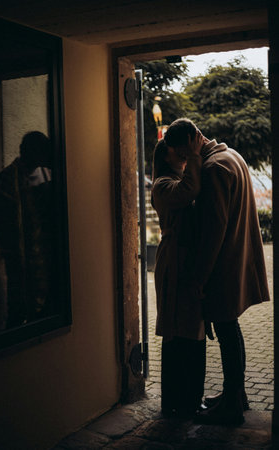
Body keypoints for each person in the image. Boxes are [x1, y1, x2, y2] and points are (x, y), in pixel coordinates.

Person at [163, 118, 270, 426]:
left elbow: (214, 230)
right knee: (229, 329)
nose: (182, 161)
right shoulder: (231, 155)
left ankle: (232, 404)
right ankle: (235, 394)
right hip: (239, 260)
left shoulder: (212, 168)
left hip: (223, 266)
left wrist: (199, 277)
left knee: (226, 330)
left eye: (180, 153)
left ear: (189, 143)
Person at [151, 131, 206, 419]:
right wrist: (196, 157)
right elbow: (190, 191)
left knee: (189, 330)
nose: (183, 154)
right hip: (173, 261)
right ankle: (175, 401)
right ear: (165, 155)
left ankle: (188, 399)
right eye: (177, 151)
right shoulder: (162, 185)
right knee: (176, 331)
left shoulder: (173, 180)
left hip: (183, 260)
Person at [0, 131, 53, 328]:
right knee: (20, 307)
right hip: (21, 258)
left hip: (45, 256)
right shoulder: (5, 179)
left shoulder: (48, 174)